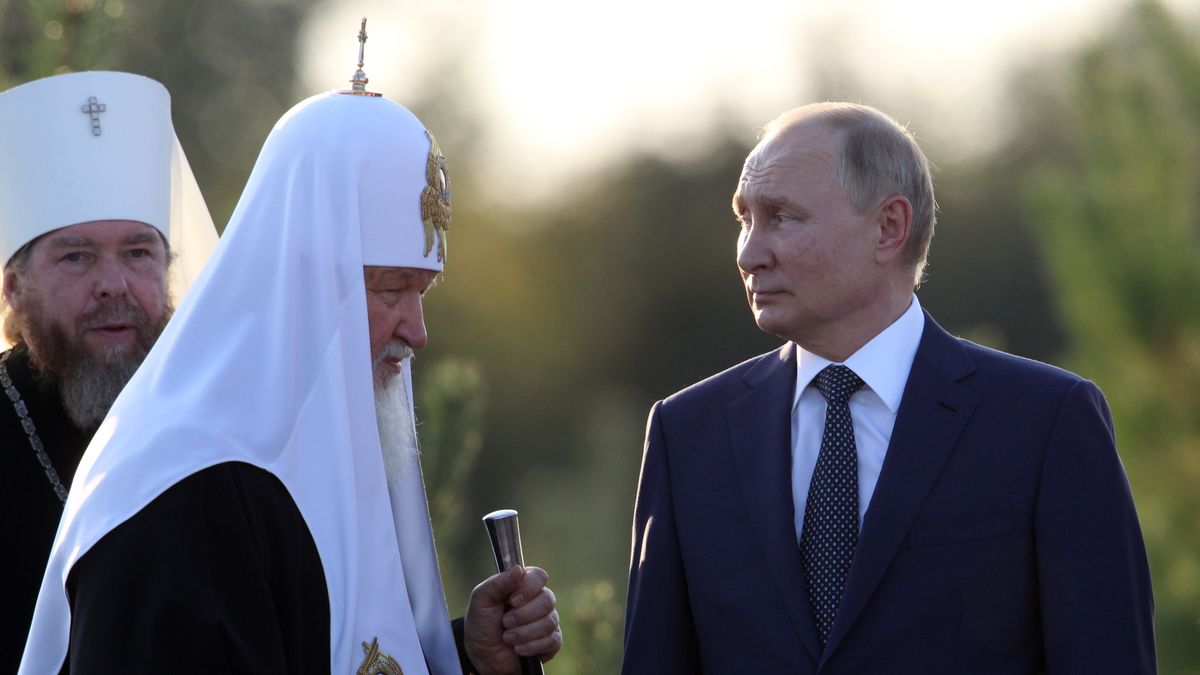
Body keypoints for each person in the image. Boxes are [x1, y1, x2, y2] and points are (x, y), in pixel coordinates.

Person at [19, 42, 561, 674]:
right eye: (390, 289)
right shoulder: (184, 493)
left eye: (422, 292)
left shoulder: (319, 448)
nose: (416, 333)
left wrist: (470, 660)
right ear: (304, 287)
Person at [622, 102, 1155, 673]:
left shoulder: (1045, 423)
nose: (750, 253)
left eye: (780, 216)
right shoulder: (688, 434)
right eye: (743, 218)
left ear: (888, 228)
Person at [0, 70, 216, 672]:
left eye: (138, 252)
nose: (114, 286)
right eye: (77, 256)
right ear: (15, 289)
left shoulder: (220, 436)